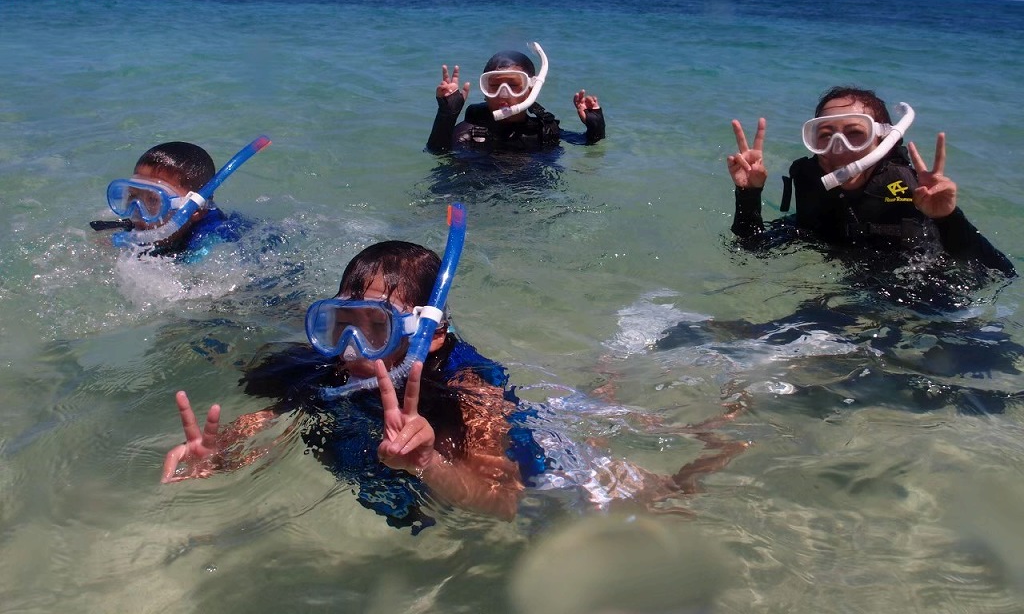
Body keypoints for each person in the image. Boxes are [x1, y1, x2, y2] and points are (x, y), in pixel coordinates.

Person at [162, 230, 747, 530]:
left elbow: (500, 502)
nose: (349, 346)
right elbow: (271, 423)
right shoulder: (328, 368)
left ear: (427, 335)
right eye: (339, 322)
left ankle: (711, 441)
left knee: (660, 498)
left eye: (372, 326)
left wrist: (427, 465)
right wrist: (221, 458)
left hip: (536, 467)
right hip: (408, 478)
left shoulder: (472, 388)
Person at [727, 86, 1015, 277]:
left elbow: (1001, 272)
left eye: (855, 133)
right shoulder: (816, 196)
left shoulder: (915, 195)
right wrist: (748, 194)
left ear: (883, 139)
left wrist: (948, 218)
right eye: (825, 135)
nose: (838, 146)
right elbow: (751, 251)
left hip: (930, 300)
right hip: (854, 303)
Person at [92, 137, 267, 259]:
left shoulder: (214, 244)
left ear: (195, 209)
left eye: (153, 200)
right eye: (132, 196)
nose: (137, 211)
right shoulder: (146, 225)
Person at [426, 43, 606, 153]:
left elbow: (588, 143)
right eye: (494, 86)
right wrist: (446, 116)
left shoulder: (544, 130)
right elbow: (438, 153)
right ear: (484, 90)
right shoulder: (471, 133)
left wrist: (595, 126)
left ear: (532, 89)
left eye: (513, 85)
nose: (504, 94)